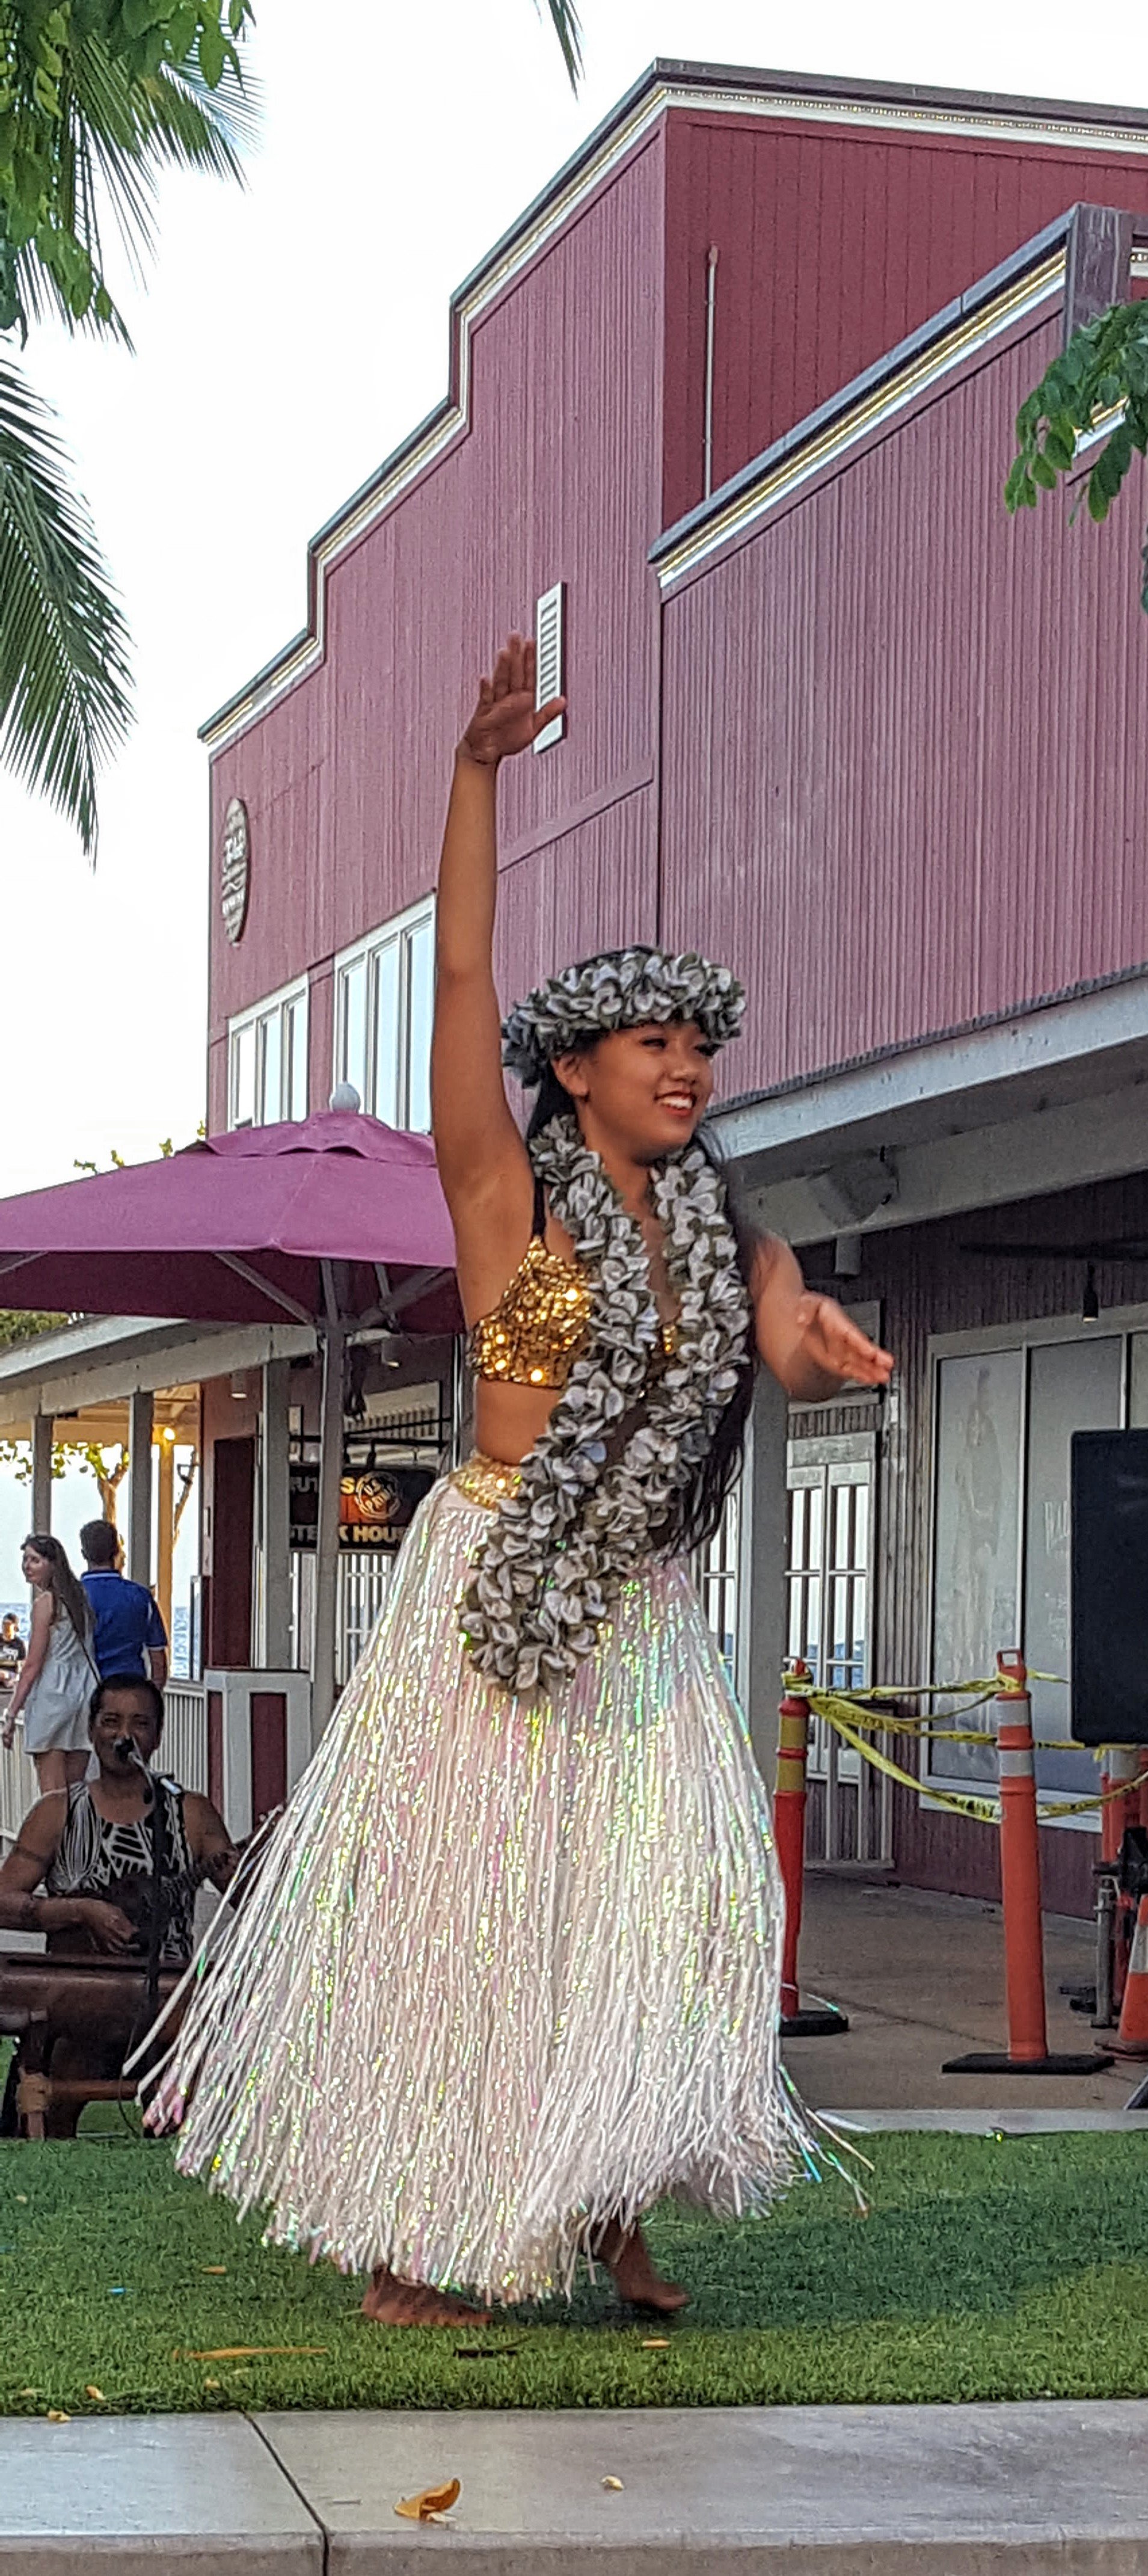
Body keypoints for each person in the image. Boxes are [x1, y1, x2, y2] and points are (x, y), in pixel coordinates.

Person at [150, 630, 894, 2329]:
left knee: (659, 1901)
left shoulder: (723, 1233)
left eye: (699, 1047)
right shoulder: (509, 1194)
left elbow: (776, 1328)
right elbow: (467, 985)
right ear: (577, 1071)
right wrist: (474, 775)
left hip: (640, 1601)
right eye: (651, 1044)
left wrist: (819, 1345)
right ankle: (428, 2225)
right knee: (473, 1909)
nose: (687, 1069)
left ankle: (613, 2193)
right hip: (497, 1581)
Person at [0, 1674, 236, 2137]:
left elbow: (244, 1891)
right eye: (111, 1721)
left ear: (156, 1737)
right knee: (59, 2092)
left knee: (190, 2089)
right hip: (76, 1995)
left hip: (164, 1997)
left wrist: (277, 1851)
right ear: (91, 1731)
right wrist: (78, 1911)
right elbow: (4, 1900)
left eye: (139, 1723)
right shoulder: (58, 1812)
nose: (123, 1734)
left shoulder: (189, 1812)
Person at [1, 1536, 100, 1798]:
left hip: (54, 1696)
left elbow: (33, 1664)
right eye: (25, 1560)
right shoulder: (81, 1599)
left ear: (53, 1564)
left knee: (53, 1796)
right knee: (77, 1792)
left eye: (35, 1560)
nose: (27, 1566)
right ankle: (77, 1839)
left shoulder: (46, 1604)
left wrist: (11, 1714)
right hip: (86, 1693)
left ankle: (57, 1839)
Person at [78, 1521, 169, 1685]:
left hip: (83, 1689)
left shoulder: (71, 1597)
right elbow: (158, 1658)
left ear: (84, 1554)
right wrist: (153, 1696)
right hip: (131, 1686)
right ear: (117, 1551)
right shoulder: (141, 1597)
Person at [0, 1612, 23, 1700]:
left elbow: (21, 1665)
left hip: (10, 1673)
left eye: (8, 1624)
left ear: (15, 1627)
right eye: (3, 1624)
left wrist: (16, 1678)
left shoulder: (19, 1644)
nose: (5, 1627)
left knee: (4, 1676)